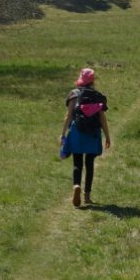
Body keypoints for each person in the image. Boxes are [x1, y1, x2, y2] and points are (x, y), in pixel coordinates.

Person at [59, 68, 111, 207]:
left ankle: (76, 185)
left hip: (77, 132)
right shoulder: (97, 96)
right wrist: (107, 136)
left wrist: (63, 134)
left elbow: (68, 116)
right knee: (89, 164)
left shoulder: (74, 94)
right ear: (93, 81)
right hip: (93, 134)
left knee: (77, 163)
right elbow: (102, 118)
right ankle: (87, 196)